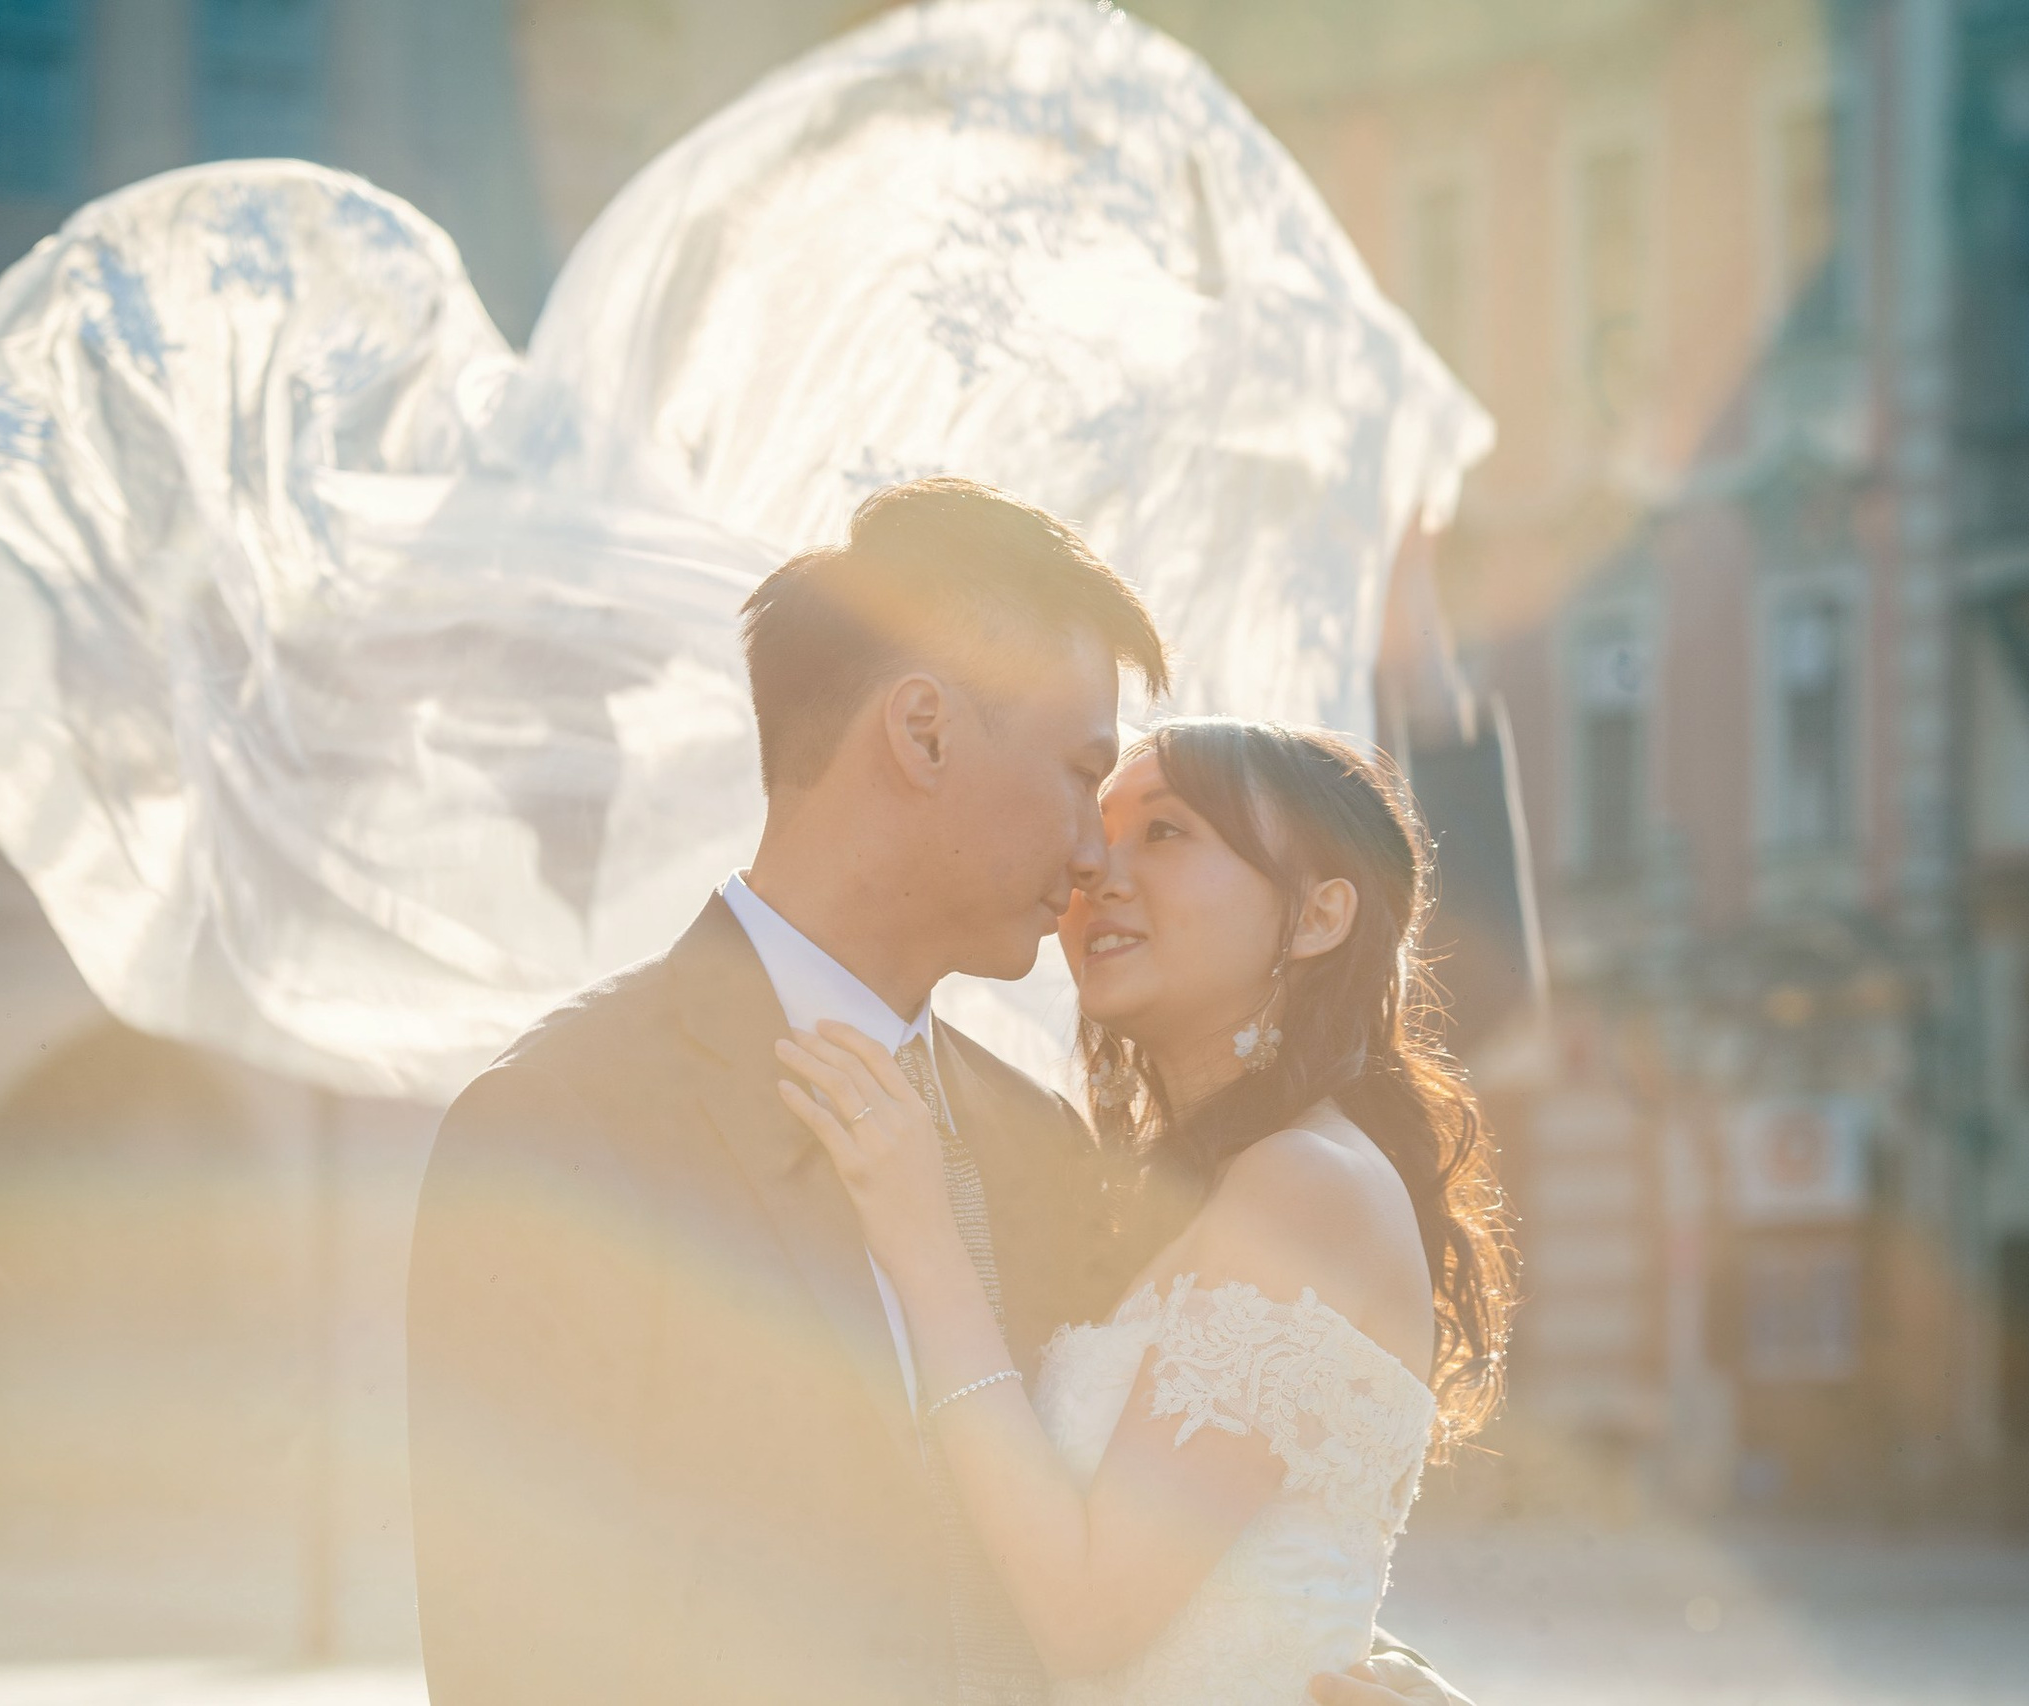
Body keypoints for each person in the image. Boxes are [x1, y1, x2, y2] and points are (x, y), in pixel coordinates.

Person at [408, 480, 1482, 1706]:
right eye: (1085, 776)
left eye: (1154, 827)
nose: (1093, 857)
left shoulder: (1038, 1145)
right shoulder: (559, 1130)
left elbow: (1193, 1549)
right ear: (920, 733)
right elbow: (516, 1662)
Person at [778, 718, 1511, 1704]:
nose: (1097, 870)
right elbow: (1260, 1574)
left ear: (1317, 916)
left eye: (1165, 834)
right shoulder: (1175, 1186)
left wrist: (919, 1233)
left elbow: (1092, 1616)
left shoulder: (1309, 1184)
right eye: (1098, 832)